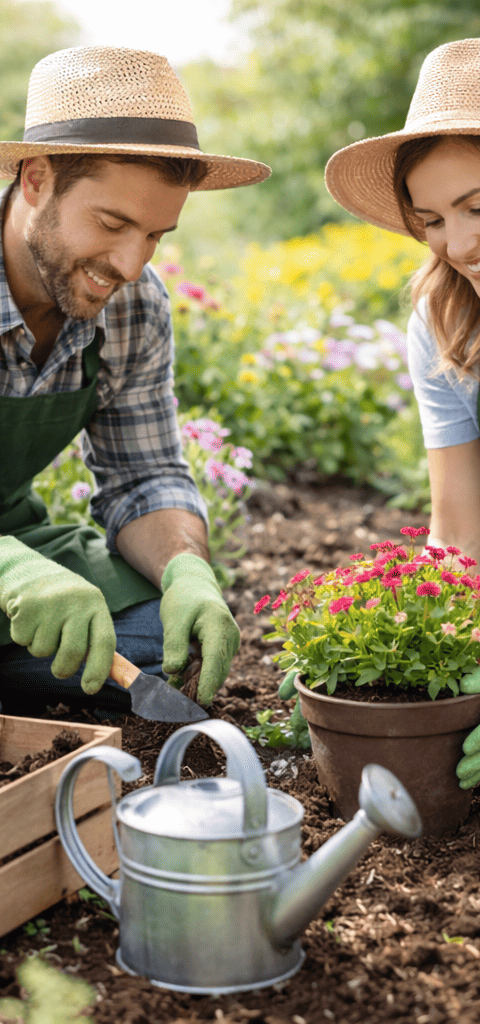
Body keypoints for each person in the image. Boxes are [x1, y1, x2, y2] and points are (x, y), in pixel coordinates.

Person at [0, 45, 271, 716]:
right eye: (112, 223)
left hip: (21, 549)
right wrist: (10, 572)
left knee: (166, 642)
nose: (129, 263)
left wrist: (187, 569)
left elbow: (143, 475)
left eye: (155, 235)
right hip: (12, 572)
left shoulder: (134, 303)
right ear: (37, 179)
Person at [325, 36, 480, 790]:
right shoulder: (445, 319)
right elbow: (458, 530)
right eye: (433, 221)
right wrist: (379, 678)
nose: (460, 244)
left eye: (478, 207)